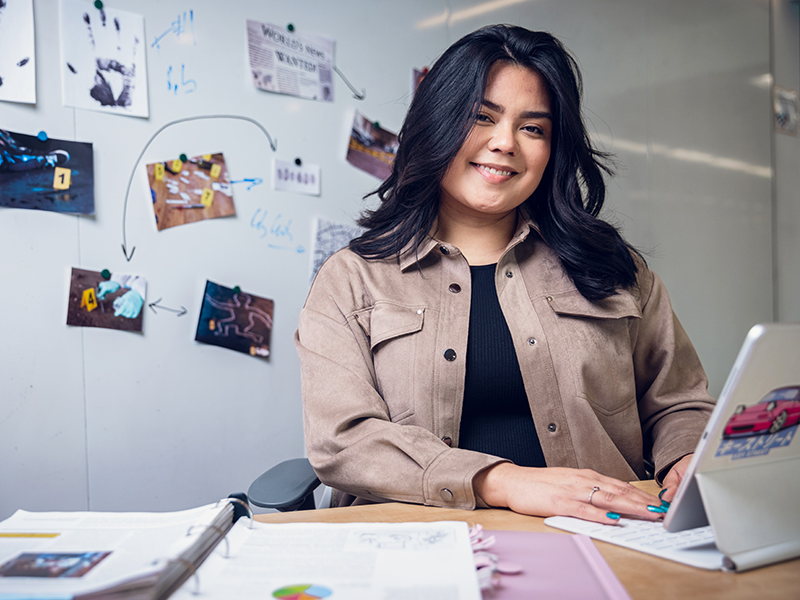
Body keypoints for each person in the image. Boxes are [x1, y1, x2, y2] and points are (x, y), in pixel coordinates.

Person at [295, 24, 716, 524]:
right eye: (481, 117)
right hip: (417, 549)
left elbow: (679, 403)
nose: (505, 143)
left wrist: (687, 457)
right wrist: (503, 481)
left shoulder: (614, 269)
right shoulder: (352, 280)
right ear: (438, 124)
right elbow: (342, 441)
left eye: (533, 128)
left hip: (607, 538)